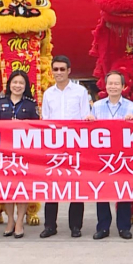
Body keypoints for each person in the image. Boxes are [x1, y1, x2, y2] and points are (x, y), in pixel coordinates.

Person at [39, 56, 91, 239]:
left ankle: (75, 226)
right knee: (52, 187)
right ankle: (50, 226)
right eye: (56, 69)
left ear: (69, 70)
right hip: (54, 146)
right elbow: (45, 119)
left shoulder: (80, 91)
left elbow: (86, 117)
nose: (59, 73)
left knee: (76, 186)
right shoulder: (48, 94)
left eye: (62, 69)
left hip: (75, 145)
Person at [86, 71, 133, 239]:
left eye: (117, 84)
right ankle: (103, 227)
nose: (113, 87)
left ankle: (124, 227)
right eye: (110, 83)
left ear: (123, 87)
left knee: (123, 190)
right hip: (102, 156)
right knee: (101, 191)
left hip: (124, 156)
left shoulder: (131, 107)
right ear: (105, 86)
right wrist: (89, 121)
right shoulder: (97, 106)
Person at [0, 70, 39, 238]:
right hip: (4, 152)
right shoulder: (0, 103)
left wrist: (23, 125)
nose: (17, 86)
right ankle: (10, 219)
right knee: (7, 188)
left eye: (21, 83)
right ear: (9, 84)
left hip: (23, 153)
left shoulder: (30, 104)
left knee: (22, 188)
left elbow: (38, 128)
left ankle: (20, 220)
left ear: (26, 86)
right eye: (15, 82)